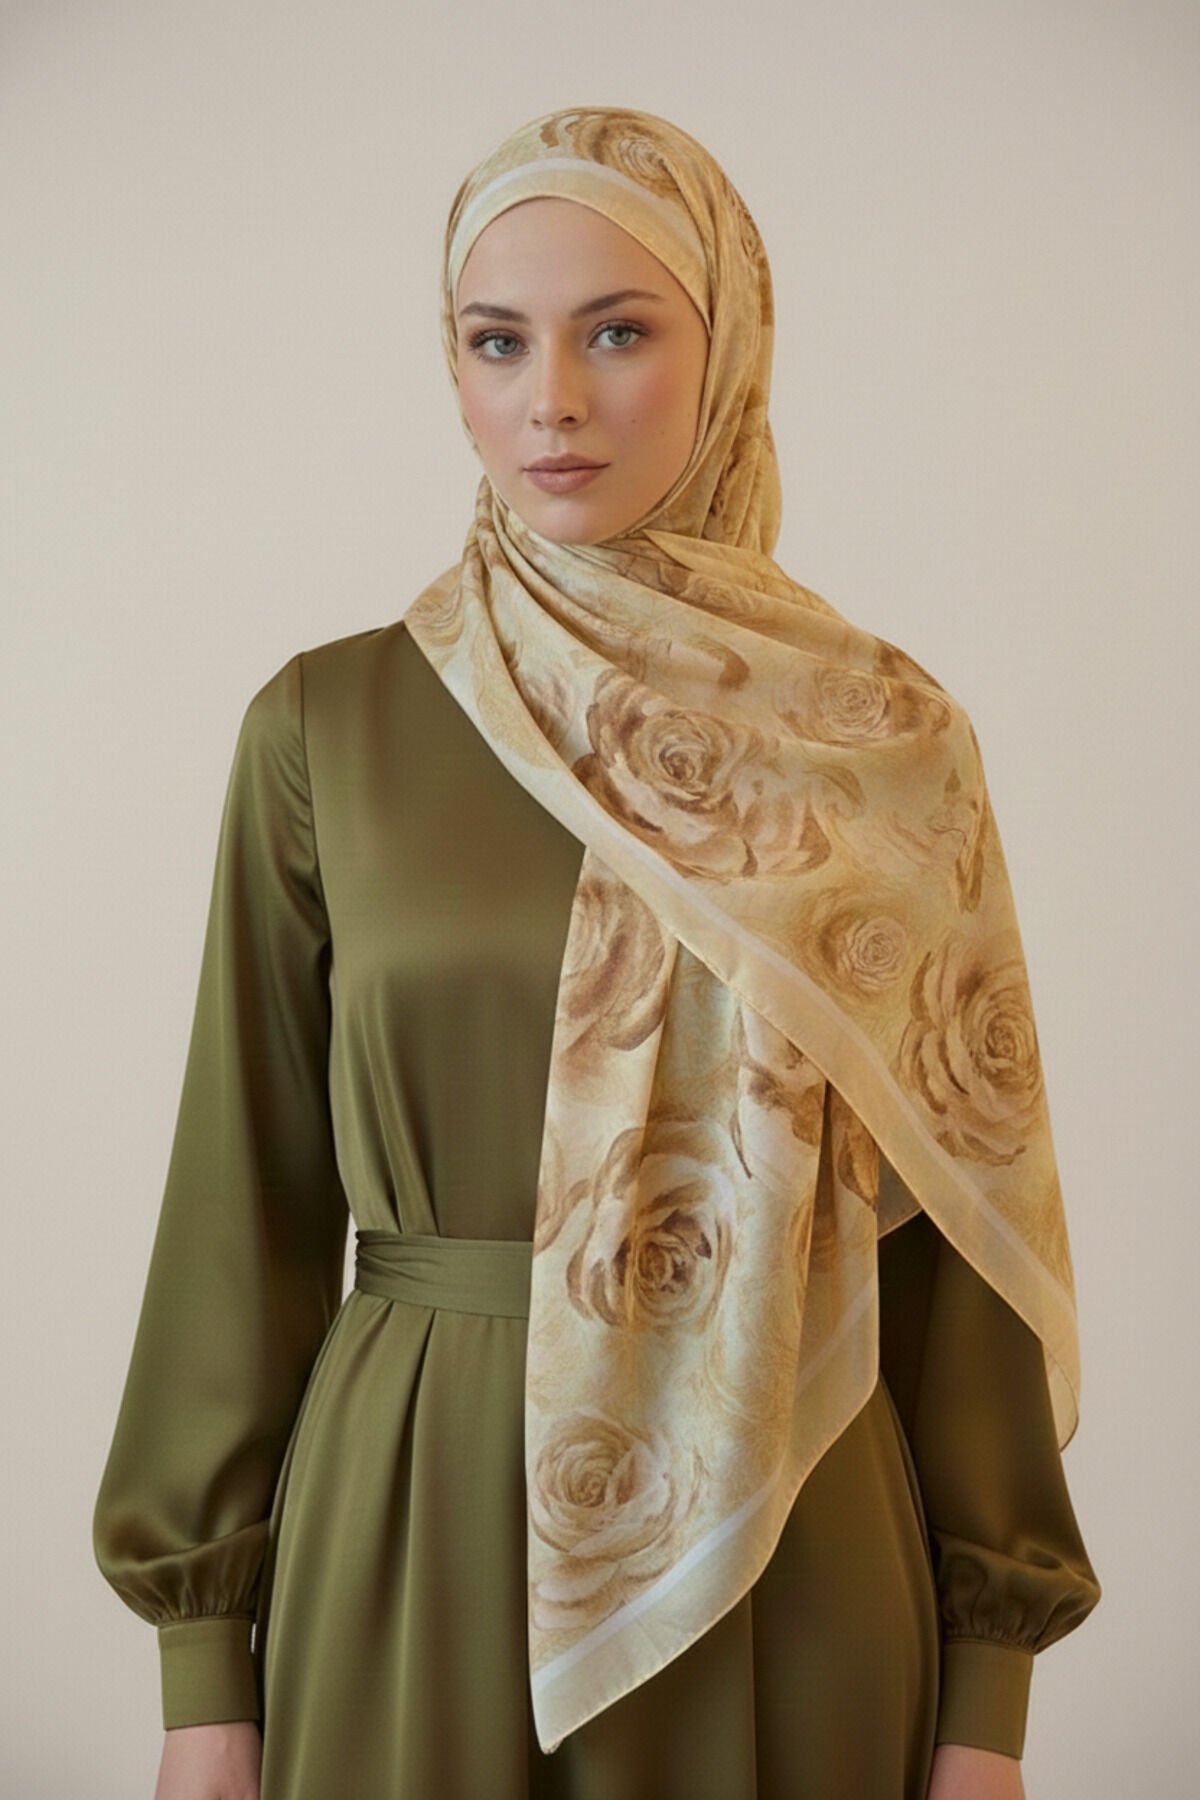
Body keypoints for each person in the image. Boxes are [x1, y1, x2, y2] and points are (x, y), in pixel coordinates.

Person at [93, 105, 1102, 1800]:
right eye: (498, 341)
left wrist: (986, 1699)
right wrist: (206, 1669)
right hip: (413, 1522)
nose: (550, 399)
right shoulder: (327, 729)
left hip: (793, 1537)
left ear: (731, 351)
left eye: (618, 333)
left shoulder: (885, 748)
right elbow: (240, 1202)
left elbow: (960, 1241)